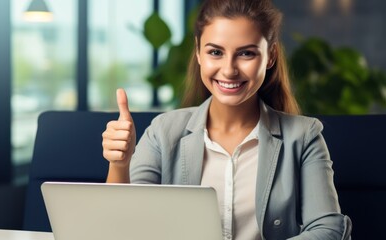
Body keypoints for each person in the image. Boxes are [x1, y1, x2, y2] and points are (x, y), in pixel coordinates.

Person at [101, 0, 352, 239]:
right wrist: (120, 165)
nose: (229, 69)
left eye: (246, 53)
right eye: (215, 52)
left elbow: (328, 228)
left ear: (270, 56)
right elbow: (122, 226)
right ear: (199, 52)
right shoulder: (163, 131)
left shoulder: (304, 135)